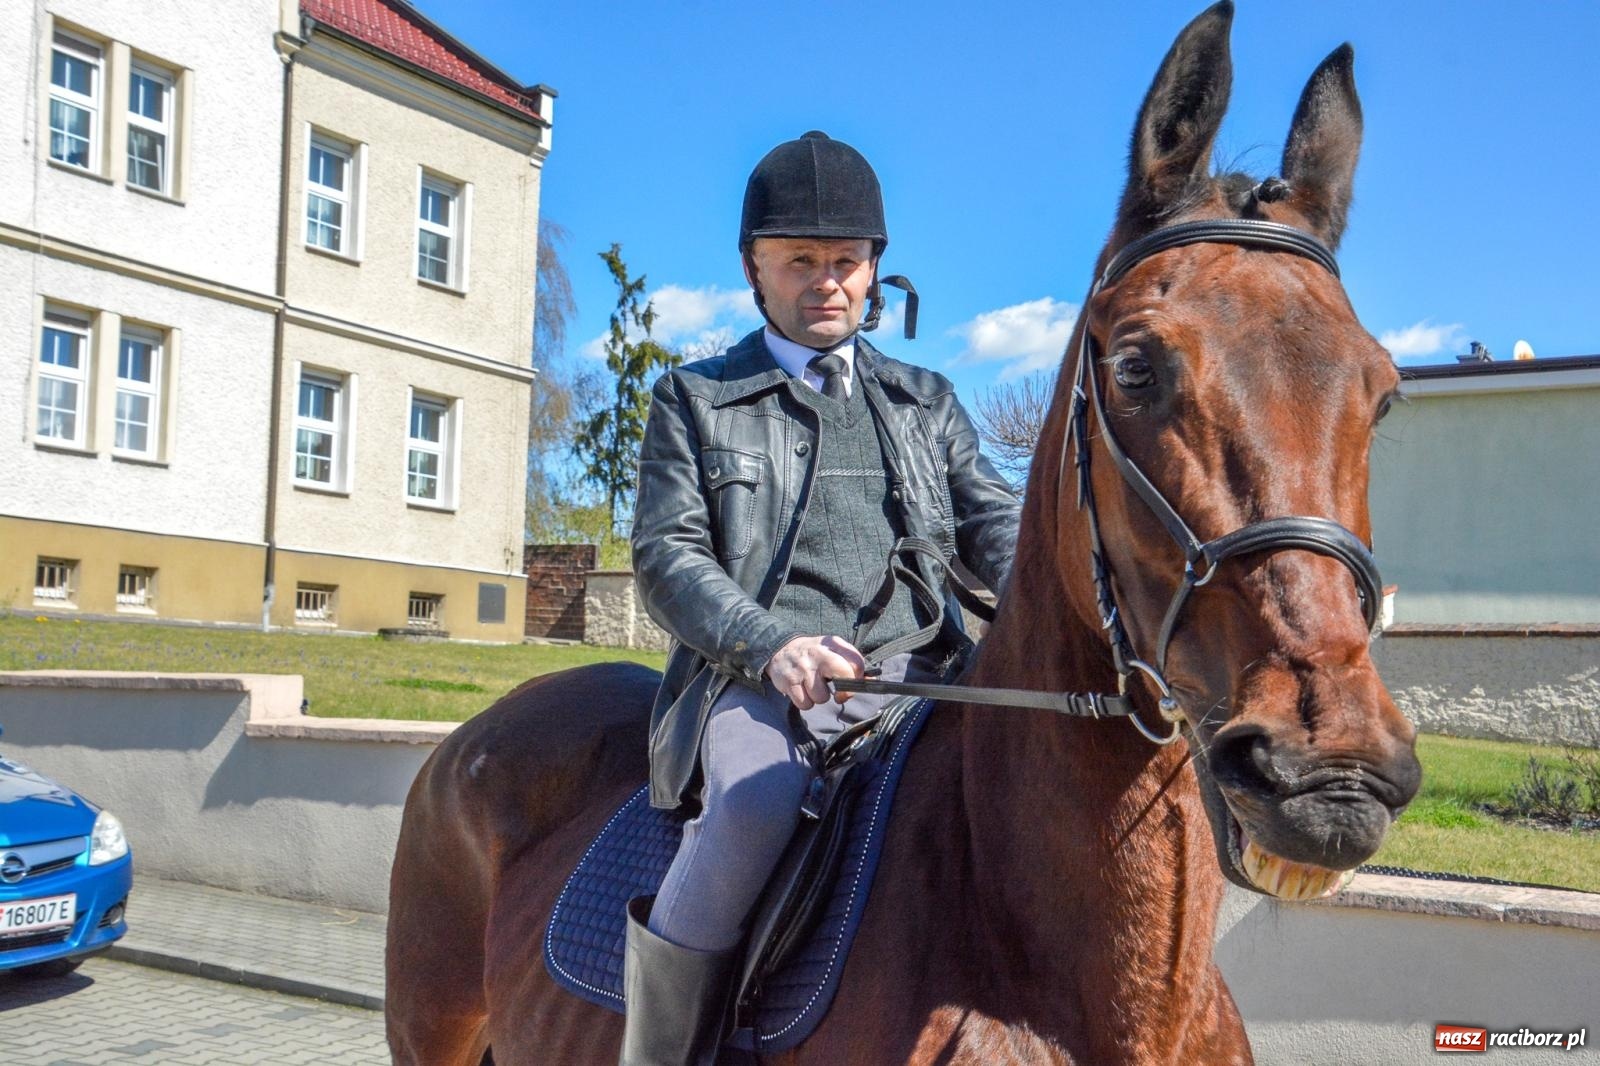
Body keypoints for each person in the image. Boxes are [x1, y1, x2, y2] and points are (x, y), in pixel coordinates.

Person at [622, 131, 1020, 1065]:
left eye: (846, 260)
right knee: (756, 804)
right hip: (759, 680)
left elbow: (996, 525)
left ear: (876, 270)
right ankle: (663, 1053)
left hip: (923, 671)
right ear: (753, 270)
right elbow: (667, 556)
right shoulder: (695, 398)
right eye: (799, 260)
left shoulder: (927, 400)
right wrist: (772, 646)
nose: (827, 282)